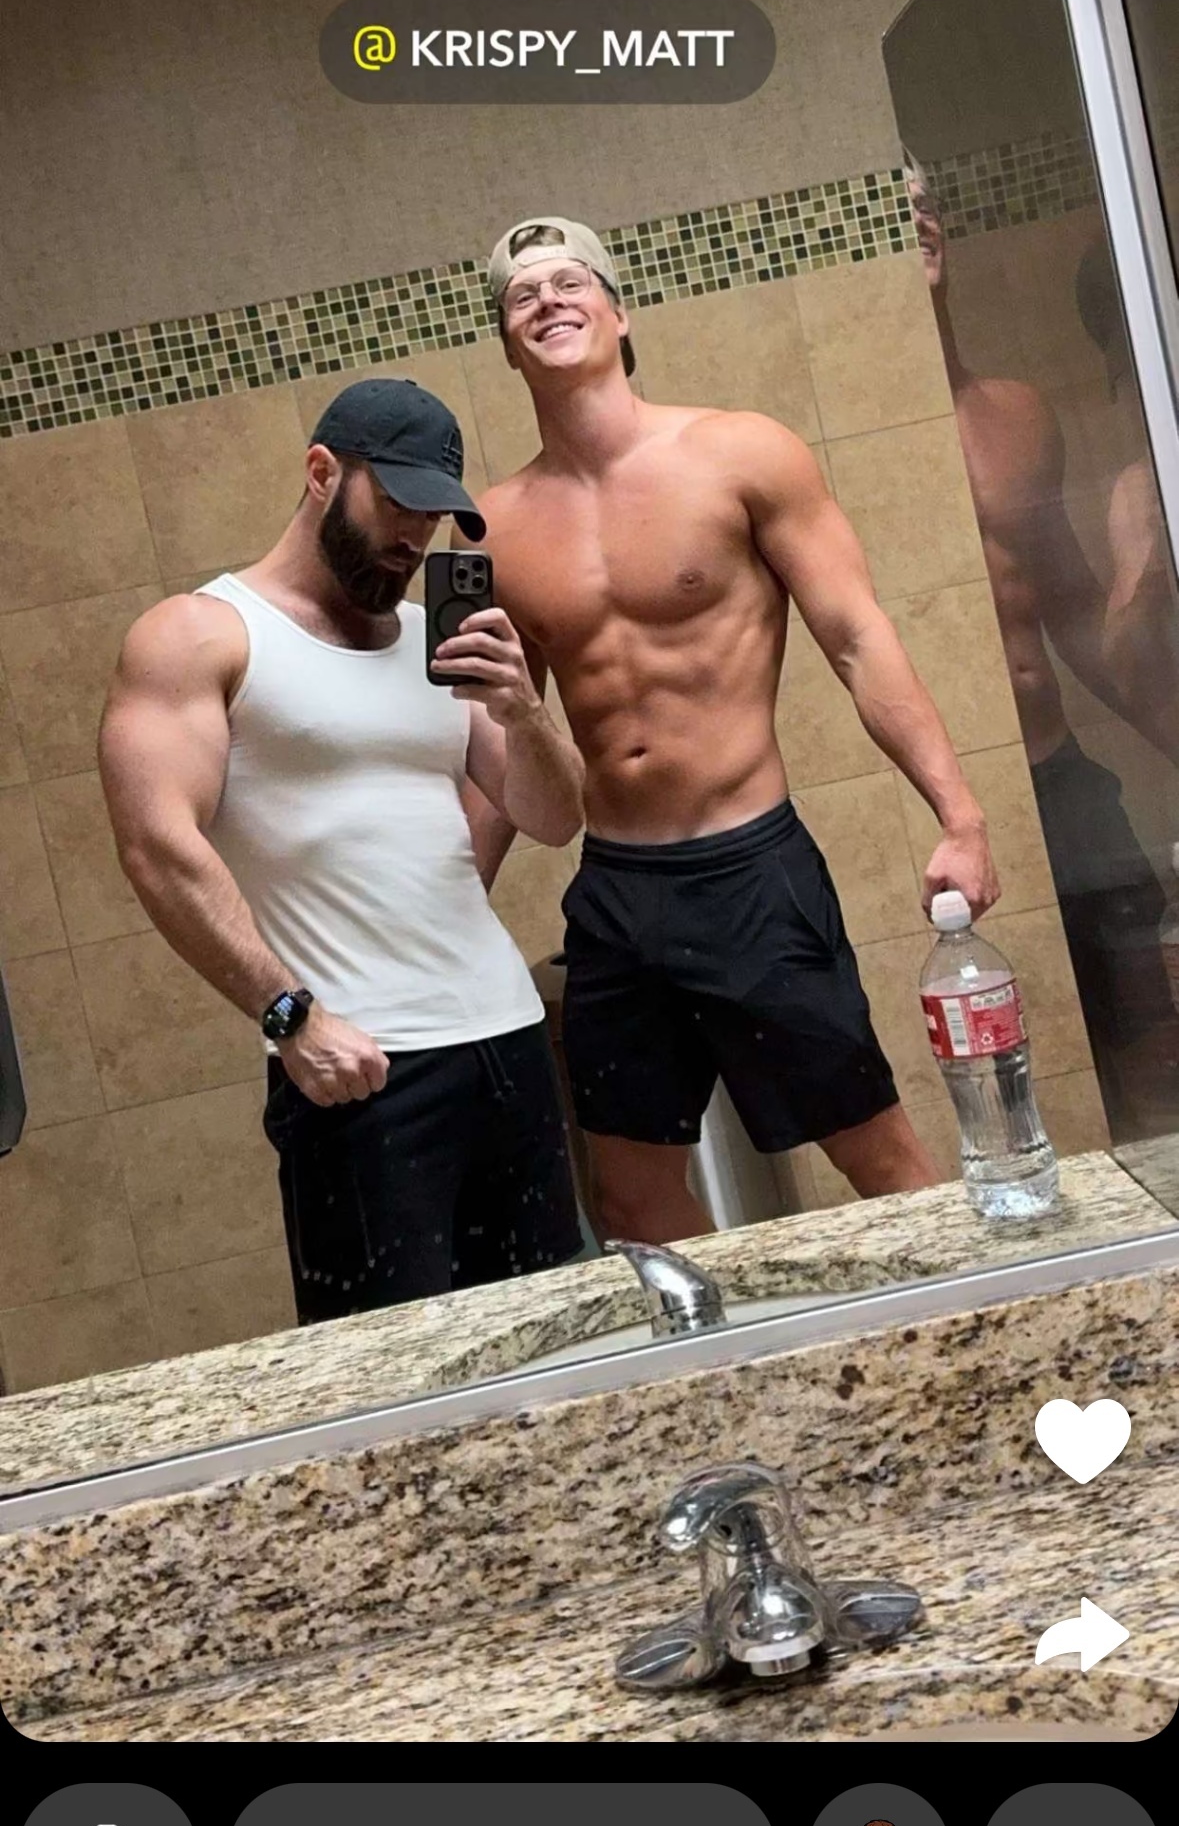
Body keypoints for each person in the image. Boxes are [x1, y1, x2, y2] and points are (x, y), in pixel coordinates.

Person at [467, 214, 1000, 1246]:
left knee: (875, 1157)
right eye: (522, 295)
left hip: (750, 874)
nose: (548, 300)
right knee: (630, 1201)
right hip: (616, 891)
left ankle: (969, 1327)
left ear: (619, 314)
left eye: (571, 281)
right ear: (505, 344)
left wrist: (960, 815)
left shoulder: (741, 453)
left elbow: (857, 638)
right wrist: (451, 912)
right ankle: (726, 1352)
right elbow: (499, 740)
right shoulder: (493, 525)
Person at [99, 378, 586, 1323]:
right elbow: (156, 847)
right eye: (397, 504)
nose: (414, 538)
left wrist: (523, 710)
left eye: (433, 517)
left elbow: (555, 815)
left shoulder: (434, 640)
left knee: (550, 1346)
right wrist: (290, 1018)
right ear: (322, 473)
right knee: (391, 1373)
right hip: (361, 1069)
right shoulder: (200, 636)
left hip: (508, 1044)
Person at [905, 164, 1178, 1130]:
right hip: (944, 794)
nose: (915, 219)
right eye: (890, 207)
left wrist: (1166, 732)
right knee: (1013, 1060)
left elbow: (1067, 606)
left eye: (924, 201)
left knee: (1145, 1025)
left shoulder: (1015, 413)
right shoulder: (833, 439)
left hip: (1056, 770)